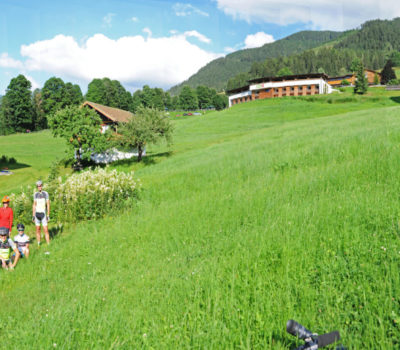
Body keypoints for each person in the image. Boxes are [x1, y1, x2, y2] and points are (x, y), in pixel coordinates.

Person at [32, 180, 50, 246]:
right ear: (37, 187)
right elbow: (34, 205)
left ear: (42, 186)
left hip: (43, 214)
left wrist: (48, 215)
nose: (39, 187)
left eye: (40, 186)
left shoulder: (45, 193)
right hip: (37, 214)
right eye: (38, 186)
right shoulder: (35, 194)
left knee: (46, 229)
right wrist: (33, 215)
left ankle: (48, 244)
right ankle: (39, 244)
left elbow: (48, 204)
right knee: (38, 229)